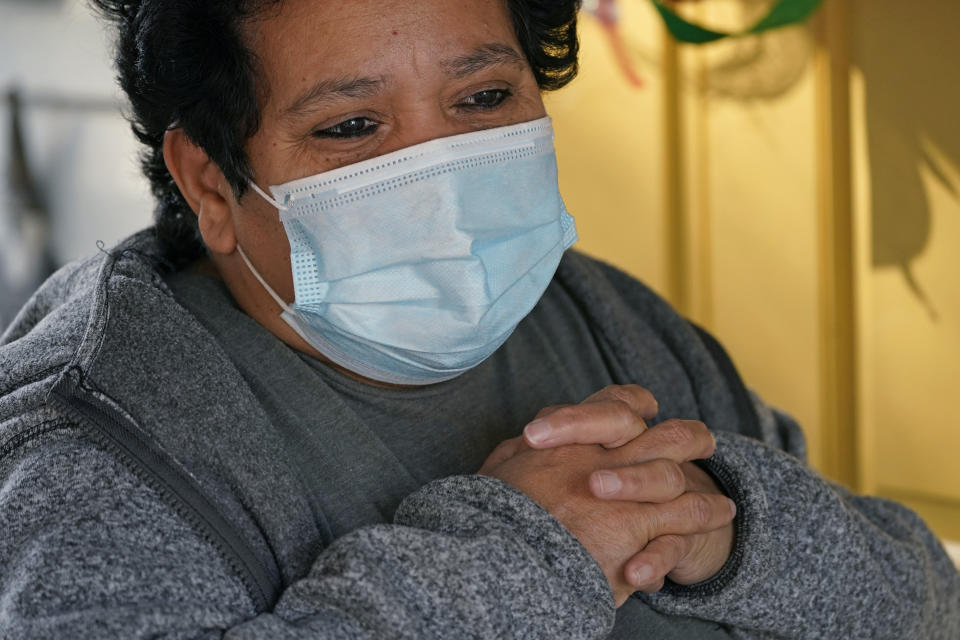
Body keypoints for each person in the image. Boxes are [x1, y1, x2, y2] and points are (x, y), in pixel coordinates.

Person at [0, 0, 957, 637]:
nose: (446, 182)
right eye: (353, 127)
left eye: (484, 98)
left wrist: (725, 528)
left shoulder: (612, 321)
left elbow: (925, 603)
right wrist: (525, 555)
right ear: (209, 180)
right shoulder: (92, 449)